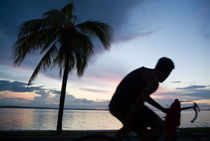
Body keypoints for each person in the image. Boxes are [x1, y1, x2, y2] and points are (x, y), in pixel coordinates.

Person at [109, 57, 175, 141]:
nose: (168, 76)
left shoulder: (145, 72)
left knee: (145, 134)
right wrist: (126, 125)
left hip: (116, 106)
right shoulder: (154, 81)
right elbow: (139, 102)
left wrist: (161, 108)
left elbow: (144, 97)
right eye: (169, 73)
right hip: (125, 107)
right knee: (161, 126)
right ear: (166, 72)